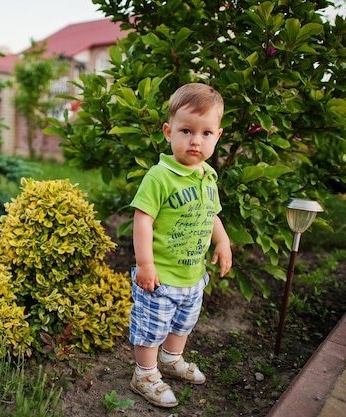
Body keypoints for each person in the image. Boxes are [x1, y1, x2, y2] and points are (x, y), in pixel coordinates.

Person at [129, 82, 233, 408]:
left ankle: (172, 359)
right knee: (150, 329)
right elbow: (142, 219)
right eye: (186, 130)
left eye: (205, 133)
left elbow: (211, 213)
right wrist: (146, 264)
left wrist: (223, 241)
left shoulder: (208, 176)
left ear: (217, 136)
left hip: (193, 276)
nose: (195, 141)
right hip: (160, 277)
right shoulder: (160, 177)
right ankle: (144, 374)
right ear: (168, 131)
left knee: (183, 325)